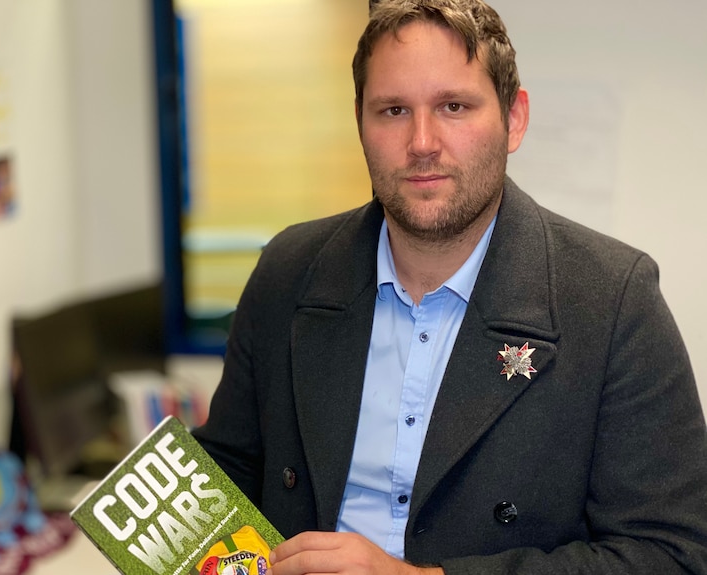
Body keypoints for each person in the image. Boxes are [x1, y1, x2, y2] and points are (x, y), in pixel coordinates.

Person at [191, 0, 707, 573]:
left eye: (453, 106)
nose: (421, 142)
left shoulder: (613, 300)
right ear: (358, 122)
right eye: (392, 110)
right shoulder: (288, 270)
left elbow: (672, 555)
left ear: (515, 119)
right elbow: (223, 475)